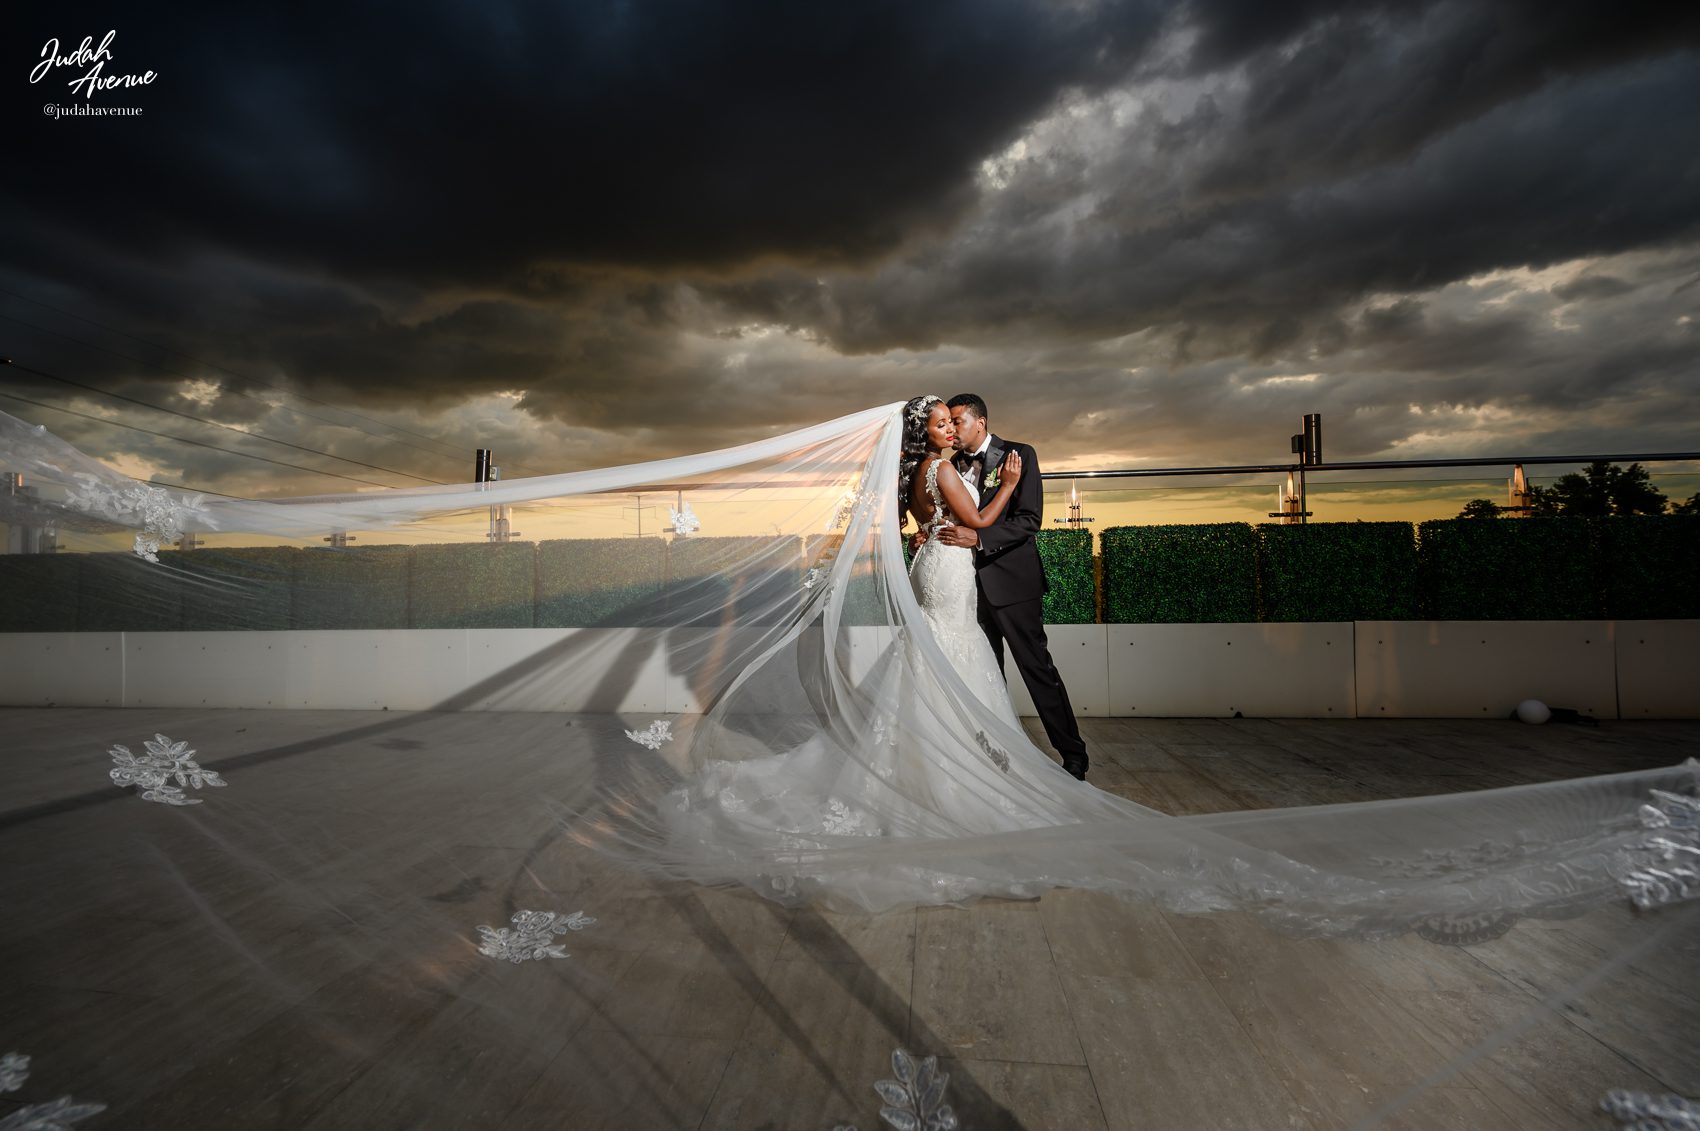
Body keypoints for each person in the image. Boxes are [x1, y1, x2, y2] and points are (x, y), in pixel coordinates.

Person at [925, 393, 1091, 780]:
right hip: (965, 587)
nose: (951, 429)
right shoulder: (947, 467)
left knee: (1036, 668)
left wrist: (979, 540)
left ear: (979, 422)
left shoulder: (1019, 455)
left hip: (1013, 584)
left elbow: (1030, 520)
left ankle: (1073, 753)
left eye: (957, 421)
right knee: (986, 674)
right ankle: (994, 756)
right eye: (945, 423)